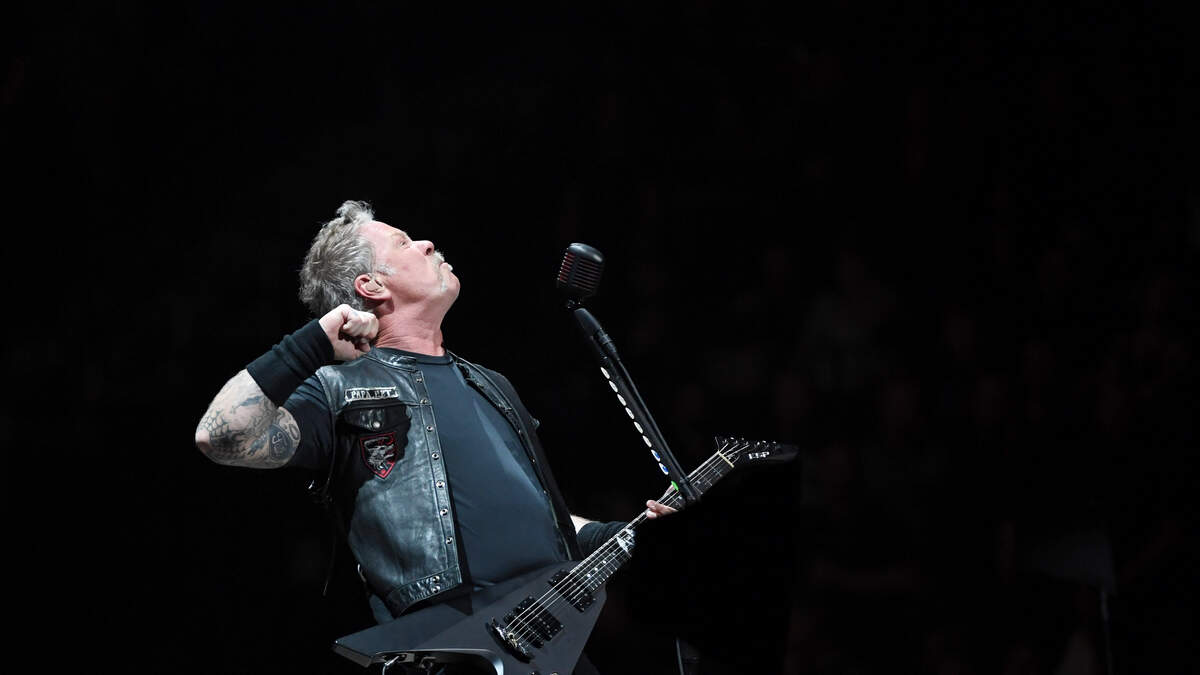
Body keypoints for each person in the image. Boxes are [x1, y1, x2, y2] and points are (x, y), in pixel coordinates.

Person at [194, 200, 674, 674]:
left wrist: (620, 535)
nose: (427, 243)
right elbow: (221, 435)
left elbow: (541, 517)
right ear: (371, 284)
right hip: (453, 653)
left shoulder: (491, 385)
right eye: (404, 242)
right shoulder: (338, 388)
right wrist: (315, 341)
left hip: (548, 649)